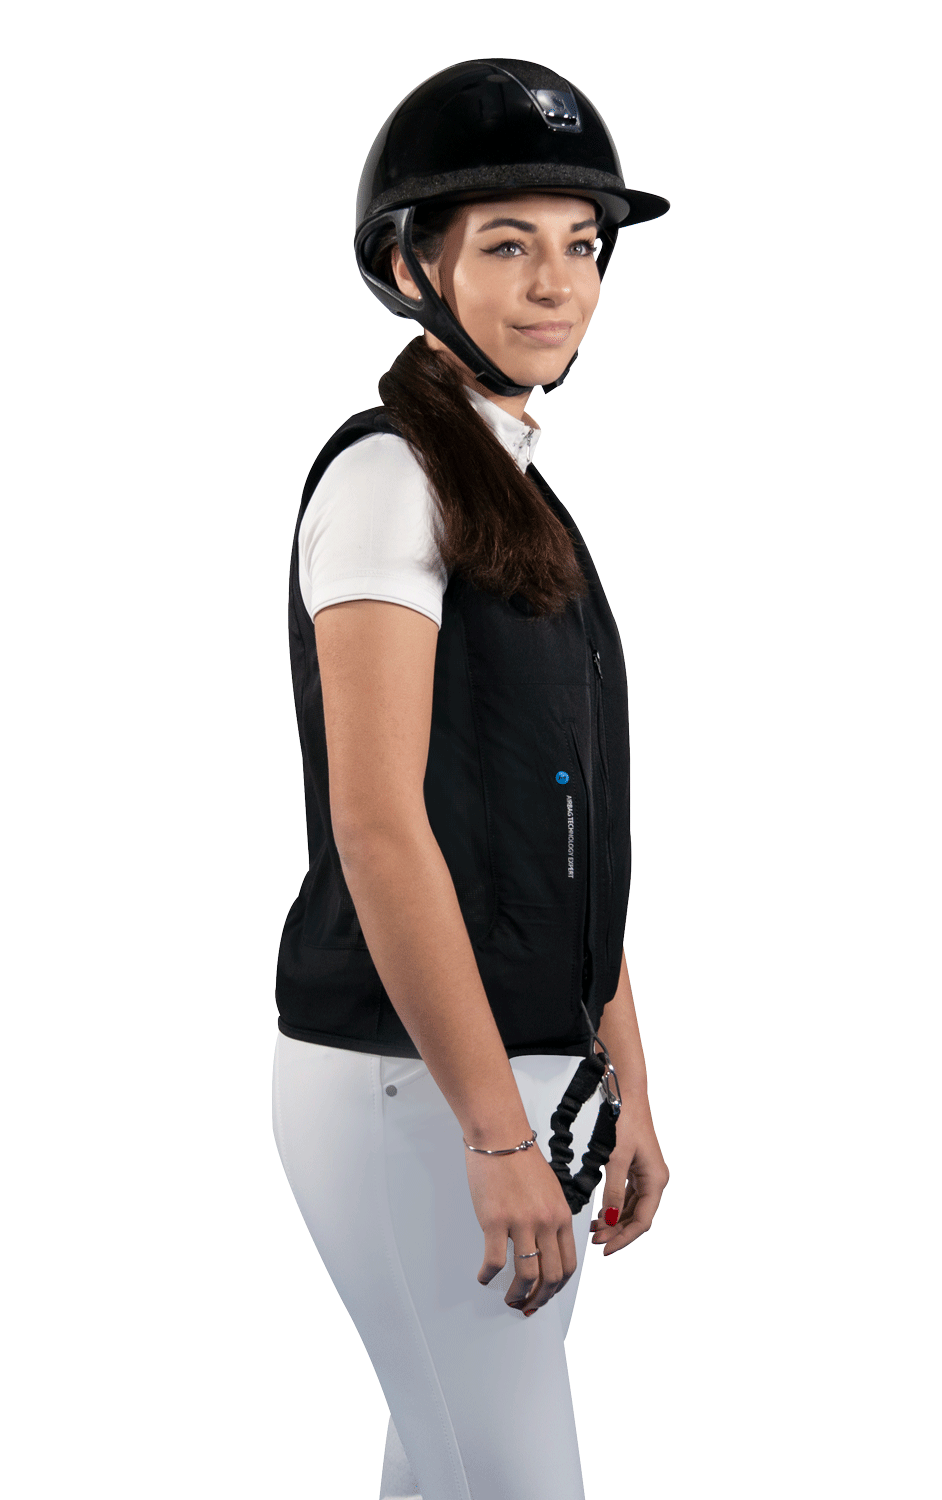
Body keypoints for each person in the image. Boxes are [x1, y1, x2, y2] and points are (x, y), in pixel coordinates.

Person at [271, 59, 671, 1500]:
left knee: (446, 1469)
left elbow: (563, 821)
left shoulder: (512, 490)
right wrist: (494, 1128)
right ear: (409, 267)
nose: (557, 285)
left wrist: (624, 1076)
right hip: (415, 1085)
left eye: (582, 244)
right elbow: (380, 830)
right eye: (507, 245)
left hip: (515, 1077)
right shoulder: (392, 481)